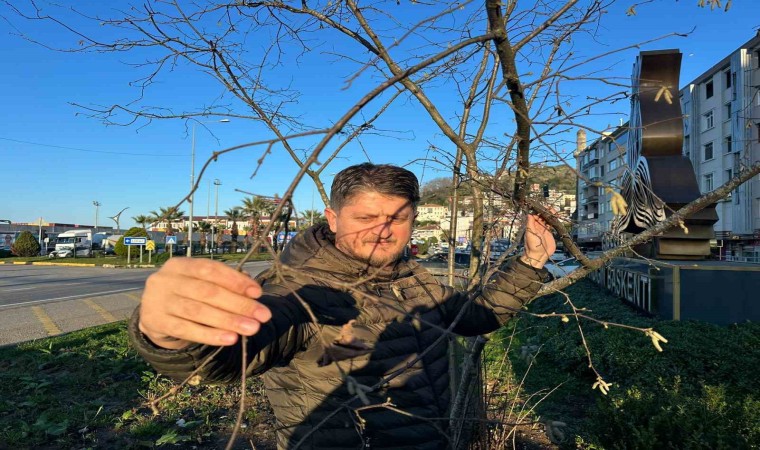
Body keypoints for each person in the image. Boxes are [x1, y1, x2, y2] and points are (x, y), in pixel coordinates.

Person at [129, 163, 555, 450]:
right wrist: (168, 335)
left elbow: (476, 317)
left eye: (397, 218)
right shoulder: (298, 288)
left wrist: (531, 261)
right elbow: (226, 357)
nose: (382, 231)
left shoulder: (412, 278)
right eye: (365, 218)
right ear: (333, 220)